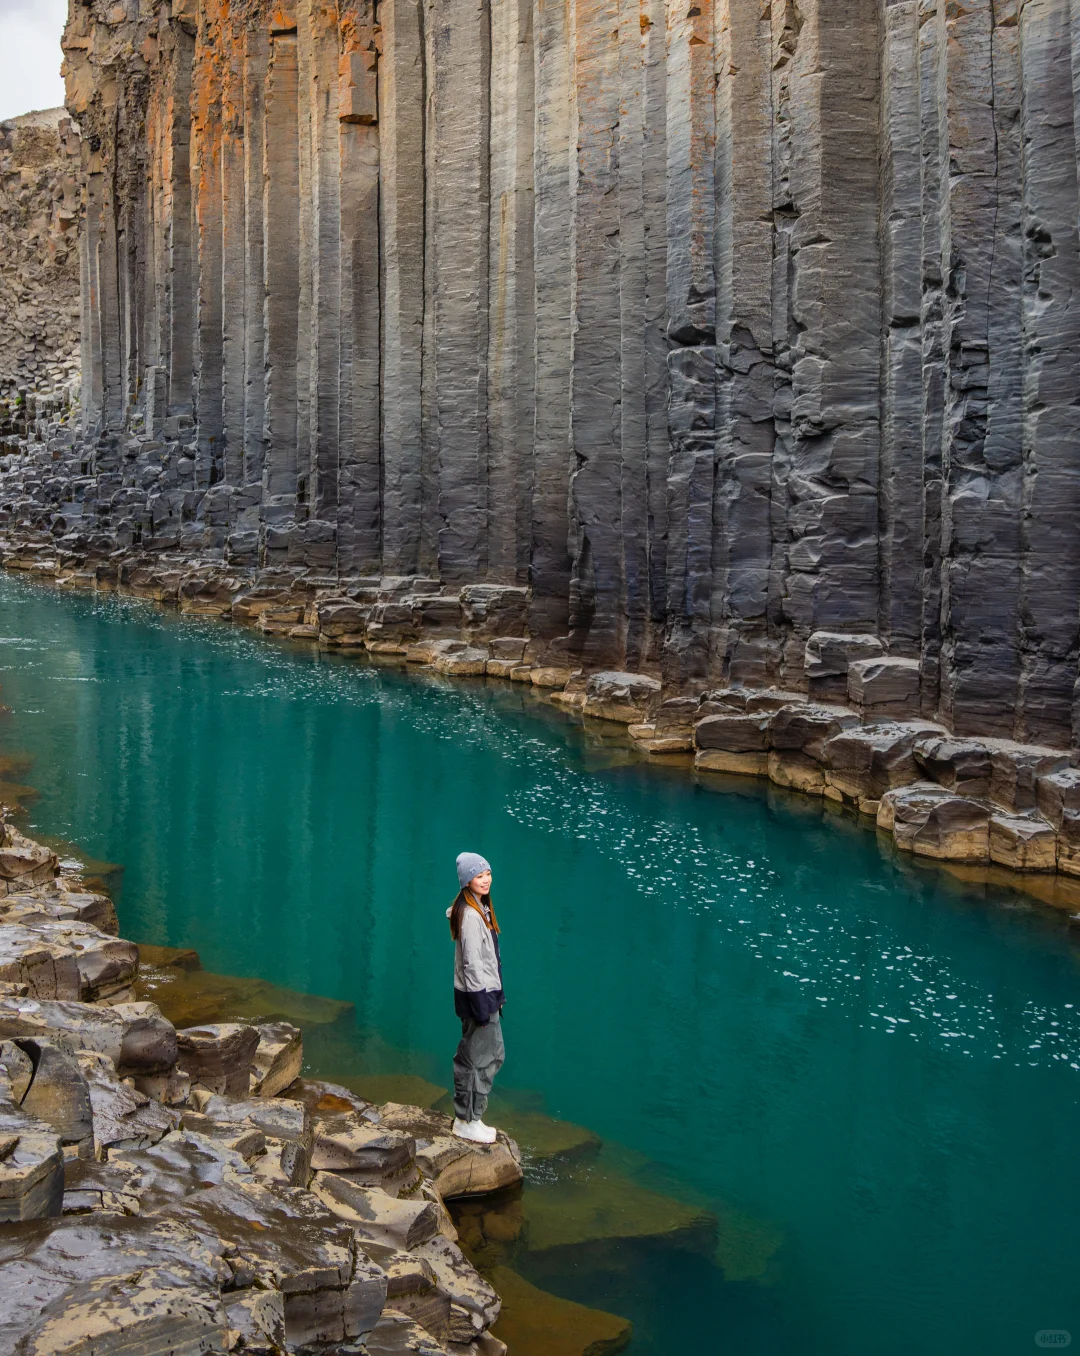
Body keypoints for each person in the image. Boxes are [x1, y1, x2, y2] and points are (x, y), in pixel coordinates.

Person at [447, 851, 505, 1144]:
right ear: (466, 880)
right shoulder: (469, 915)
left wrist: (497, 996)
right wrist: (482, 1008)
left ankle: (472, 1117)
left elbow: (488, 961)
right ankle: (467, 1120)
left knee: (493, 1055)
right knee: (476, 1059)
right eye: (479, 875)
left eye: (487, 873)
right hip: (477, 998)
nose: (485, 880)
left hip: (487, 995)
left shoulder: (480, 907)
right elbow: (471, 964)